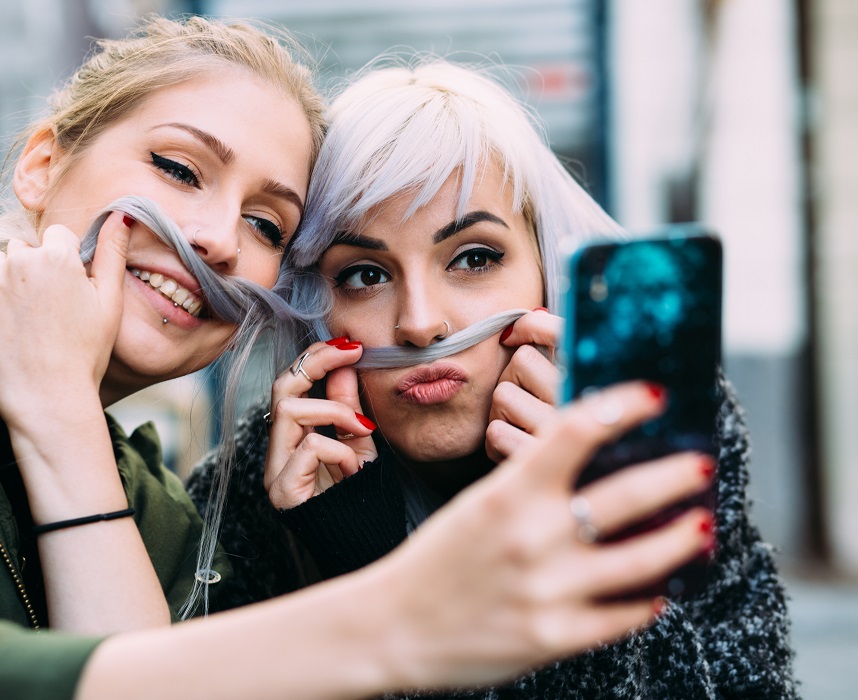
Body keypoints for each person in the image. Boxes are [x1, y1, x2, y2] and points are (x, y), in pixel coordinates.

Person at [0, 14, 715, 700]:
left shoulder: (168, 513)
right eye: (177, 168)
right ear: (42, 164)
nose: (214, 240)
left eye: (266, 224)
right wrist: (395, 608)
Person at [187, 58, 799, 698]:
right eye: (365, 274)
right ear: (318, 308)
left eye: (474, 258)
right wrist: (371, 575)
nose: (421, 326)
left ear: (545, 272)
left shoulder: (662, 443)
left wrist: (588, 553)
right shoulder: (248, 502)